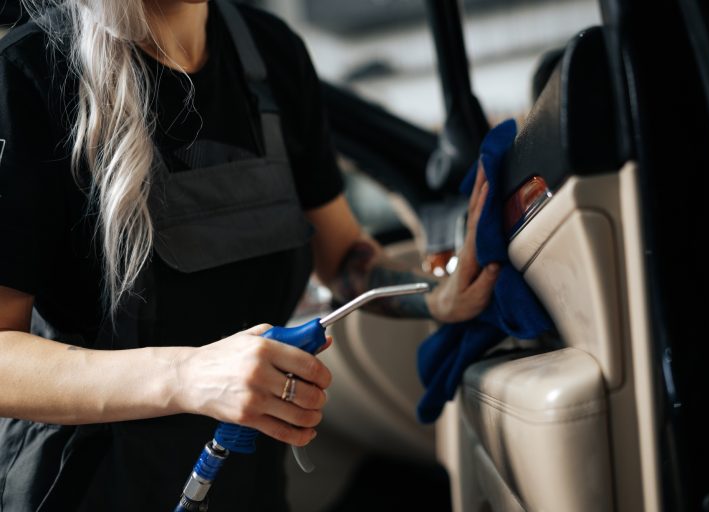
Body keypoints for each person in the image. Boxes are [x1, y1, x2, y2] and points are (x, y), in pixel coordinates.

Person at [0, 0, 499, 510]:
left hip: (247, 486)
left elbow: (347, 259)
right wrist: (187, 377)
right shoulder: (31, 72)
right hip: (91, 488)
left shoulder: (271, 52)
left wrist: (437, 297)